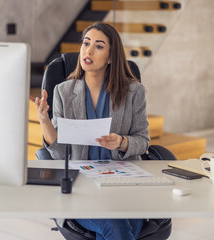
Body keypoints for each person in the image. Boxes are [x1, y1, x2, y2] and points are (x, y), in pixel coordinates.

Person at [30, 23, 150, 240]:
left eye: (99, 46)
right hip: (82, 187)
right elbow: (58, 154)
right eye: (86, 43)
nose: (88, 50)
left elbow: (143, 140)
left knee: (119, 226)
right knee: (118, 227)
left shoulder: (134, 92)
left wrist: (122, 142)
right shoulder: (63, 92)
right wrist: (44, 120)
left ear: (111, 57)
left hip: (123, 184)